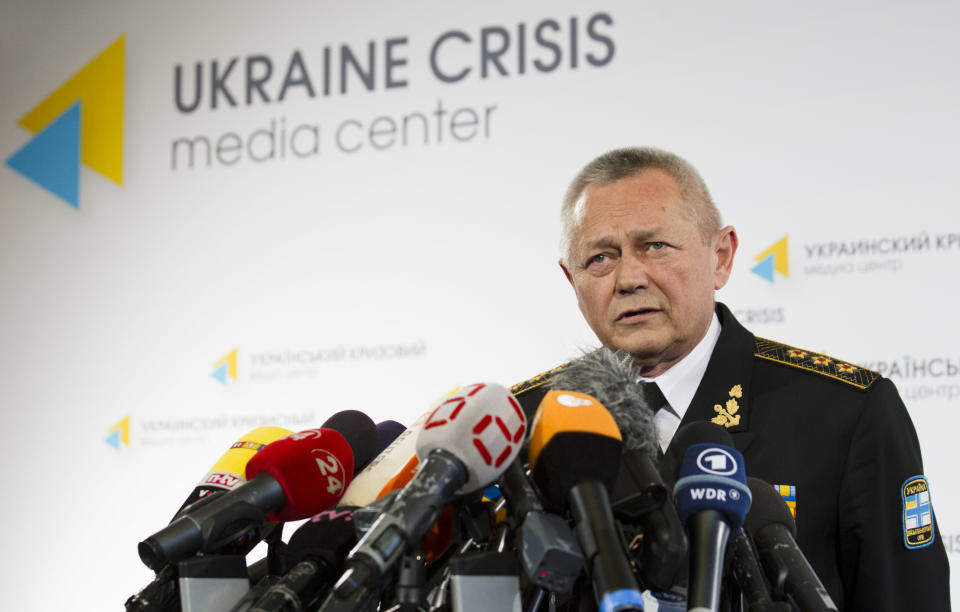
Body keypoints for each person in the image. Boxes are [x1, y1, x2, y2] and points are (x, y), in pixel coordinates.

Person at [510, 147, 951, 610]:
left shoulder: (847, 411)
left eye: (655, 246)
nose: (628, 278)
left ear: (721, 257)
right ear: (571, 281)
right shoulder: (520, 427)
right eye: (600, 258)